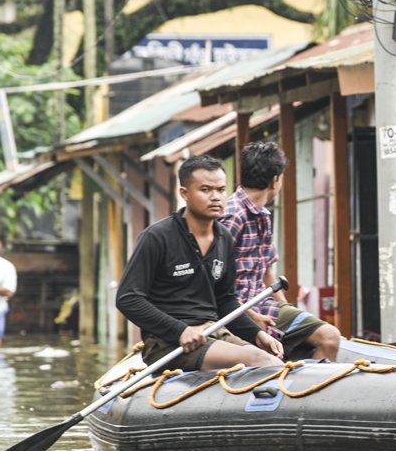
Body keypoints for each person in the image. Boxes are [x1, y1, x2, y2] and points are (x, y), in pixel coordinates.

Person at [116, 155, 283, 372]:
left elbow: (225, 300)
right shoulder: (157, 237)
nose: (216, 197)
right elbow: (128, 299)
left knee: (275, 362)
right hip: (168, 343)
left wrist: (256, 334)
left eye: (221, 190)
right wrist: (180, 330)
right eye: (205, 190)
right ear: (184, 193)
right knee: (262, 362)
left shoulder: (224, 238)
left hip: (213, 333)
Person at [221, 140, 342, 362]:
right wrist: (250, 315)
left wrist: (286, 308)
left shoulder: (263, 216)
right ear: (275, 181)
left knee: (329, 337)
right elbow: (215, 282)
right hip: (234, 312)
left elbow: (267, 273)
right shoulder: (232, 216)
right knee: (325, 338)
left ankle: (307, 392)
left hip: (263, 305)